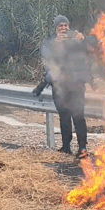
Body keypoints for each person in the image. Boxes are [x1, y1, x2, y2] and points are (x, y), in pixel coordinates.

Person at [35, 15, 94, 159]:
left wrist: (84, 39)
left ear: (69, 26)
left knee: (78, 116)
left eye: (65, 25)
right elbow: (45, 53)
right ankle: (66, 147)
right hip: (60, 86)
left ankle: (82, 148)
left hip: (77, 85)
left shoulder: (76, 38)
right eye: (60, 26)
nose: (63, 28)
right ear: (56, 28)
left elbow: (93, 47)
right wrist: (56, 43)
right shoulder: (51, 42)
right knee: (64, 116)